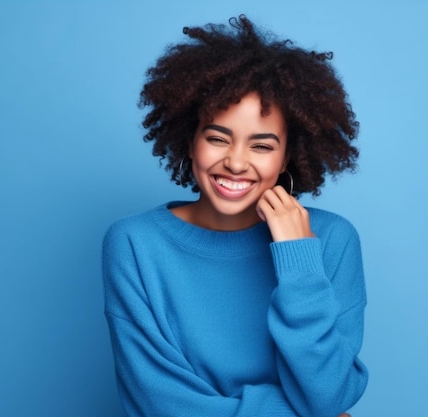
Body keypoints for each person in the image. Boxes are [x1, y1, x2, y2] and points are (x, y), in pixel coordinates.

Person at [102, 15, 368, 416]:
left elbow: (330, 395)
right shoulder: (134, 243)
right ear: (190, 142)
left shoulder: (331, 240)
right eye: (217, 138)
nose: (236, 162)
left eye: (261, 146)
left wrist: (298, 258)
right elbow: (161, 404)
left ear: (287, 157)